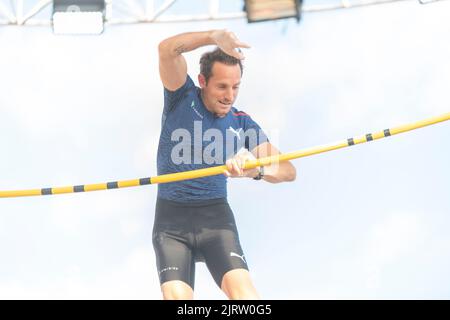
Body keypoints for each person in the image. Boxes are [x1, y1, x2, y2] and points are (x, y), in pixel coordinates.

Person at [153, 29, 296, 300]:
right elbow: (166, 50)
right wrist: (213, 37)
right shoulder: (181, 97)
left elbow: (288, 170)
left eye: (236, 87)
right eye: (221, 86)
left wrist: (258, 169)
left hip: (215, 219)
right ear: (202, 81)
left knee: (247, 298)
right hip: (171, 221)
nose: (229, 96)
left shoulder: (241, 123)